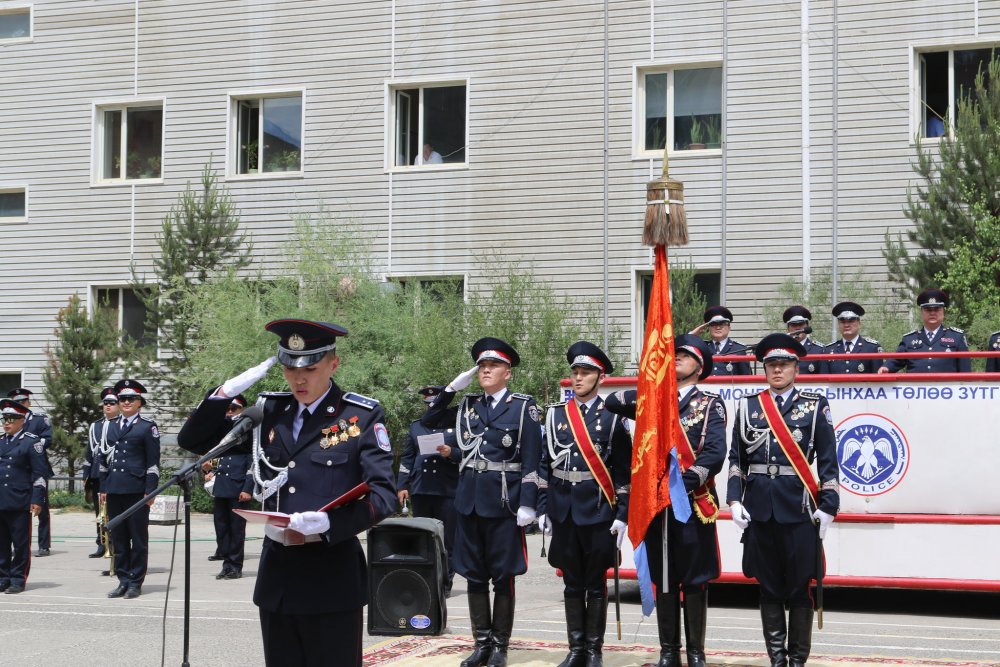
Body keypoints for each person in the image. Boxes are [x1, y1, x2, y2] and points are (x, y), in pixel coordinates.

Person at [177, 319, 396, 667]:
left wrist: (330, 523)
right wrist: (224, 393)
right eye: (290, 369)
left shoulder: (359, 416)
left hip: (331, 576)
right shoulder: (269, 412)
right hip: (278, 576)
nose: (299, 379)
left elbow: (384, 496)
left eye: (310, 369)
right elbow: (194, 441)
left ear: (333, 364)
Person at [604, 334, 726, 667]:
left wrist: (680, 485)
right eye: (674, 355)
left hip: (692, 504)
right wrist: (649, 390)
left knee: (695, 579)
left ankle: (696, 653)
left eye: (684, 355)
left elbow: (714, 454)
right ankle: (668, 651)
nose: (676, 359)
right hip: (657, 508)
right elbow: (612, 402)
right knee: (666, 578)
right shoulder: (653, 400)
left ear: (699, 366)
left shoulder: (710, 404)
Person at [420, 337, 542, 667]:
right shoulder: (468, 405)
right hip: (469, 502)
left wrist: (528, 503)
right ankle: (481, 644)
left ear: (508, 373)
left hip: (504, 503)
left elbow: (532, 459)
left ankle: (500, 646)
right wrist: (450, 390)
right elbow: (428, 421)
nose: (486, 370)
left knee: (503, 576)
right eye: (482, 366)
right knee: (474, 575)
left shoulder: (522, 407)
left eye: (493, 365)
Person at [727, 333, 839, 667]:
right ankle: (777, 659)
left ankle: (797, 661)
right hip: (759, 508)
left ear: (796, 368)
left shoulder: (815, 405)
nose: (777, 370)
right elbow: (737, 459)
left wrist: (828, 505)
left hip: (798, 509)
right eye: (772, 365)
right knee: (768, 587)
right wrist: (734, 500)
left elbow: (828, 460)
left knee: (799, 587)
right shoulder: (749, 405)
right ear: (764, 369)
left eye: (784, 364)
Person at [537, 342, 632, 667]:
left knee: (595, 583)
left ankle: (594, 651)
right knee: (571, 582)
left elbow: (623, 470)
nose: (578, 378)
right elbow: (543, 465)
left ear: (600, 378)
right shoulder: (556, 414)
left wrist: (622, 514)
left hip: (597, 509)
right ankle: (575, 649)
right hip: (563, 509)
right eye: (575, 372)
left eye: (586, 373)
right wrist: (542, 507)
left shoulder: (613, 417)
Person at [397, 385, 460, 596]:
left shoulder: (456, 425)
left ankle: (445, 583)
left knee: (447, 539)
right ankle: (425, 580)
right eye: (428, 405)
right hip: (422, 487)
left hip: (447, 488)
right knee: (423, 537)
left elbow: (467, 453)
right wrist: (402, 485)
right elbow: (408, 457)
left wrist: (452, 453)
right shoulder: (417, 426)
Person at [99, 379, 160, 599]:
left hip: (136, 491)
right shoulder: (110, 425)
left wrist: (150, 491)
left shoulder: (147, 427)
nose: (126, 402)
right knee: (119, 539)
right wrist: (103, 487)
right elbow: (103, 460)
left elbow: (153, 463)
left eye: (131, 399)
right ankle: (123, 580)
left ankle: (135, 582)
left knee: (138, 539)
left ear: (139, 402)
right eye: (122, 399)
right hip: (115, 489)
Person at [200, 394, 254, 580]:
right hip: (222, 487)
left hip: (238, 489)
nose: (229, 412)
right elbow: (221, 462)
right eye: (227, 409)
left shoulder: (249, 432)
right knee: (221, 527)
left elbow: (252, 465)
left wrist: (247, 488)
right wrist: (209, 469)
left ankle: (235, 566)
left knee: (236, 530)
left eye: (233, 409)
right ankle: (226, 563)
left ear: (241, 410)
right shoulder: (223, 432)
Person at [0, 399, 49, 594]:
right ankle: (3, 577)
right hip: (1, 498)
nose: (7, 423)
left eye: (11, 419)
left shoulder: (31, 442)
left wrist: (37, 499)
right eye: (4, 419)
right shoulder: (0, 441)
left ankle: (18, 579)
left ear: (22, 420)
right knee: (1, 543)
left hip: (20, 500)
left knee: (20, 544)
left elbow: (40, 474)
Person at [878, 288, 971, 374]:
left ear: (943, 312)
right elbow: (896, 360)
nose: (932, 313)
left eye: (937, 309)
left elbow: (965, 370)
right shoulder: (909, 339)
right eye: (928, 310)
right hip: (915, 386)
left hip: (946, 386)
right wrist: (886, 367)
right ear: (921, 312)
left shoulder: (956, 337)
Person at [7, 388, 54, 557]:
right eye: (17, 402)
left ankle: (44, 545)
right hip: (18, 470)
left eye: (23, 401)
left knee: (42, 508)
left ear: (29, 403)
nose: (20, 404)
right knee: (16, 510)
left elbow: (47, 439)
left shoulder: (39, 420)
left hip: (36, 467)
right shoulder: (11, 420)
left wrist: (28, 445)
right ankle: (16, 544)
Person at [83, 387, 119, 558]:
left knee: (114, 511)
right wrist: (86, 474)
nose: (108, 406)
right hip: (98, 474)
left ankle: (115, 543)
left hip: (115, 474)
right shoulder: (95, 426)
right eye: (106, 403)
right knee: (100, 513)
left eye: (112, 403)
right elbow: (89, 452)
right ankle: (102, 543)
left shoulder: (120, 425)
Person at [692, 306, 752, 376]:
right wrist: (692, 335)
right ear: (709, 328)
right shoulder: (702, 347)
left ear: (729, 328)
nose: (718, 327)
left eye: (722, 324)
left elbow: (746, 377)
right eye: (714, 324)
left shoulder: (739, 349)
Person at [825, 302, 883, 374]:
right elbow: (824, 379)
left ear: (859, 323)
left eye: (850, 321)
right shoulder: (829, 350)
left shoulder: (871, 348)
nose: (846, 325)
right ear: (838, 324)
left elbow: (878, 378)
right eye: (842, 321)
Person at [783, 306, 826, 374]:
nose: (798, 328)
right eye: (794, 325)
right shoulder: (782, 349)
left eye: (801, 324)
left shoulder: (818, 350)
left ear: (807, 327)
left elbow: (824, 377)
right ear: (788, 329)